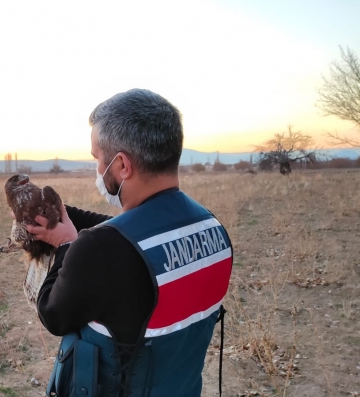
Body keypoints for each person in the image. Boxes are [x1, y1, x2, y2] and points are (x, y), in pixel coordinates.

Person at [26, 89, 233, 397]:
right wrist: (62, 213)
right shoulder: (213, 229)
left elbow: (54, 314)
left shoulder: (101, 250)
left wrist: (64, 243)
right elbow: (130, 239)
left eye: (98, 158)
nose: (97, 169)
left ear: (122, 165)